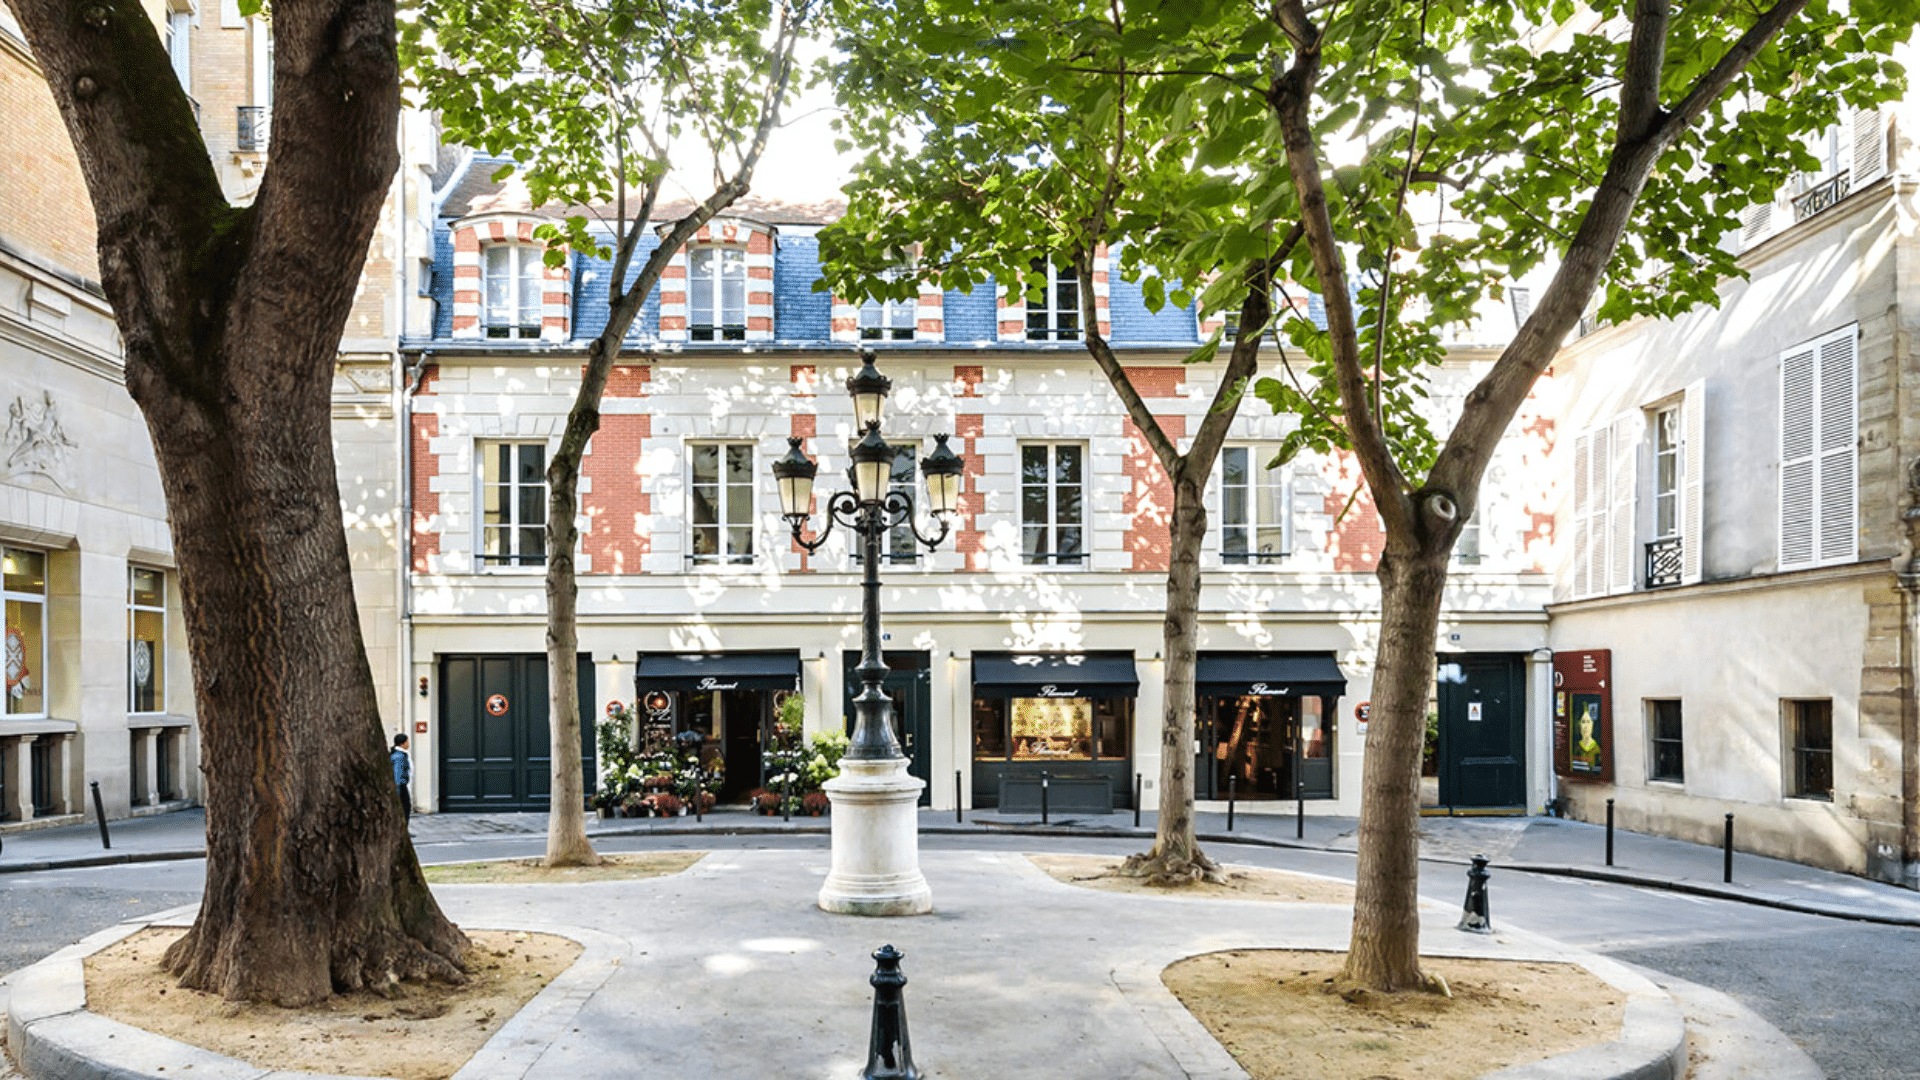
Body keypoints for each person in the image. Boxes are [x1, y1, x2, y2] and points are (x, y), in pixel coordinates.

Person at [391, 733, 413, 819]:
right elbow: (398, 773)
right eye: (407, 741)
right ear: (402, 744)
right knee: (405, 809)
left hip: (403, 785)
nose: (408, 743)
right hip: (401, 786)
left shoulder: (402, 754)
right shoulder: (399, 756)